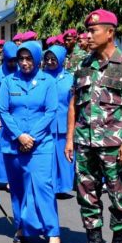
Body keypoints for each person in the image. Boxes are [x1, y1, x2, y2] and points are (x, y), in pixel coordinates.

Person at [65, 9, 122, 243]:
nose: (87, 35)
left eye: (93, 31)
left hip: (114, 143)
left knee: (118, 194)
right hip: (85, 142)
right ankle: (95, 241)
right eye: (87, 30)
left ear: (110, 32)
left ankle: (119, 242)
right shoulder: (83, 65)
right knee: (86, 194)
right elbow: (74, 104)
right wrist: (69, 139)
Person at [0, 42, 61, 243]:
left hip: (40, 145)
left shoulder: (48, 81)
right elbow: (3, 111)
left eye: (29, 58)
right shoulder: (8, 81)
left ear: (37, 59)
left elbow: (51, 111)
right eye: (21, 58)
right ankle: (23, 227)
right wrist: (19, 136)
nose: (25, 63)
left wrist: (32, 137)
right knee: (18, 189)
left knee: (43, 186)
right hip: (13, 145)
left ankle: (53, 232)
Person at [43, 44, 75, 196]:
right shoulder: (41, 76)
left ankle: (63, 186)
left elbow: (73, 103)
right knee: (47, 157)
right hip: (45, 124)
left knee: (64, 156)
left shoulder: (70, 79)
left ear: (61, 60)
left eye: (53, 59)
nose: (49, 62)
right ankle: (50, 185)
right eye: (47, 59)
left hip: (64, 122)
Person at [0, 42, 18, 190]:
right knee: (1, 148)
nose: (12, 63)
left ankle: (14, 177)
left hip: (16, 114)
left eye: (14, 60)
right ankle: (3, 177)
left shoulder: (19, 71)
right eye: (9, 60)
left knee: (16, 147)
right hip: (1, 116)